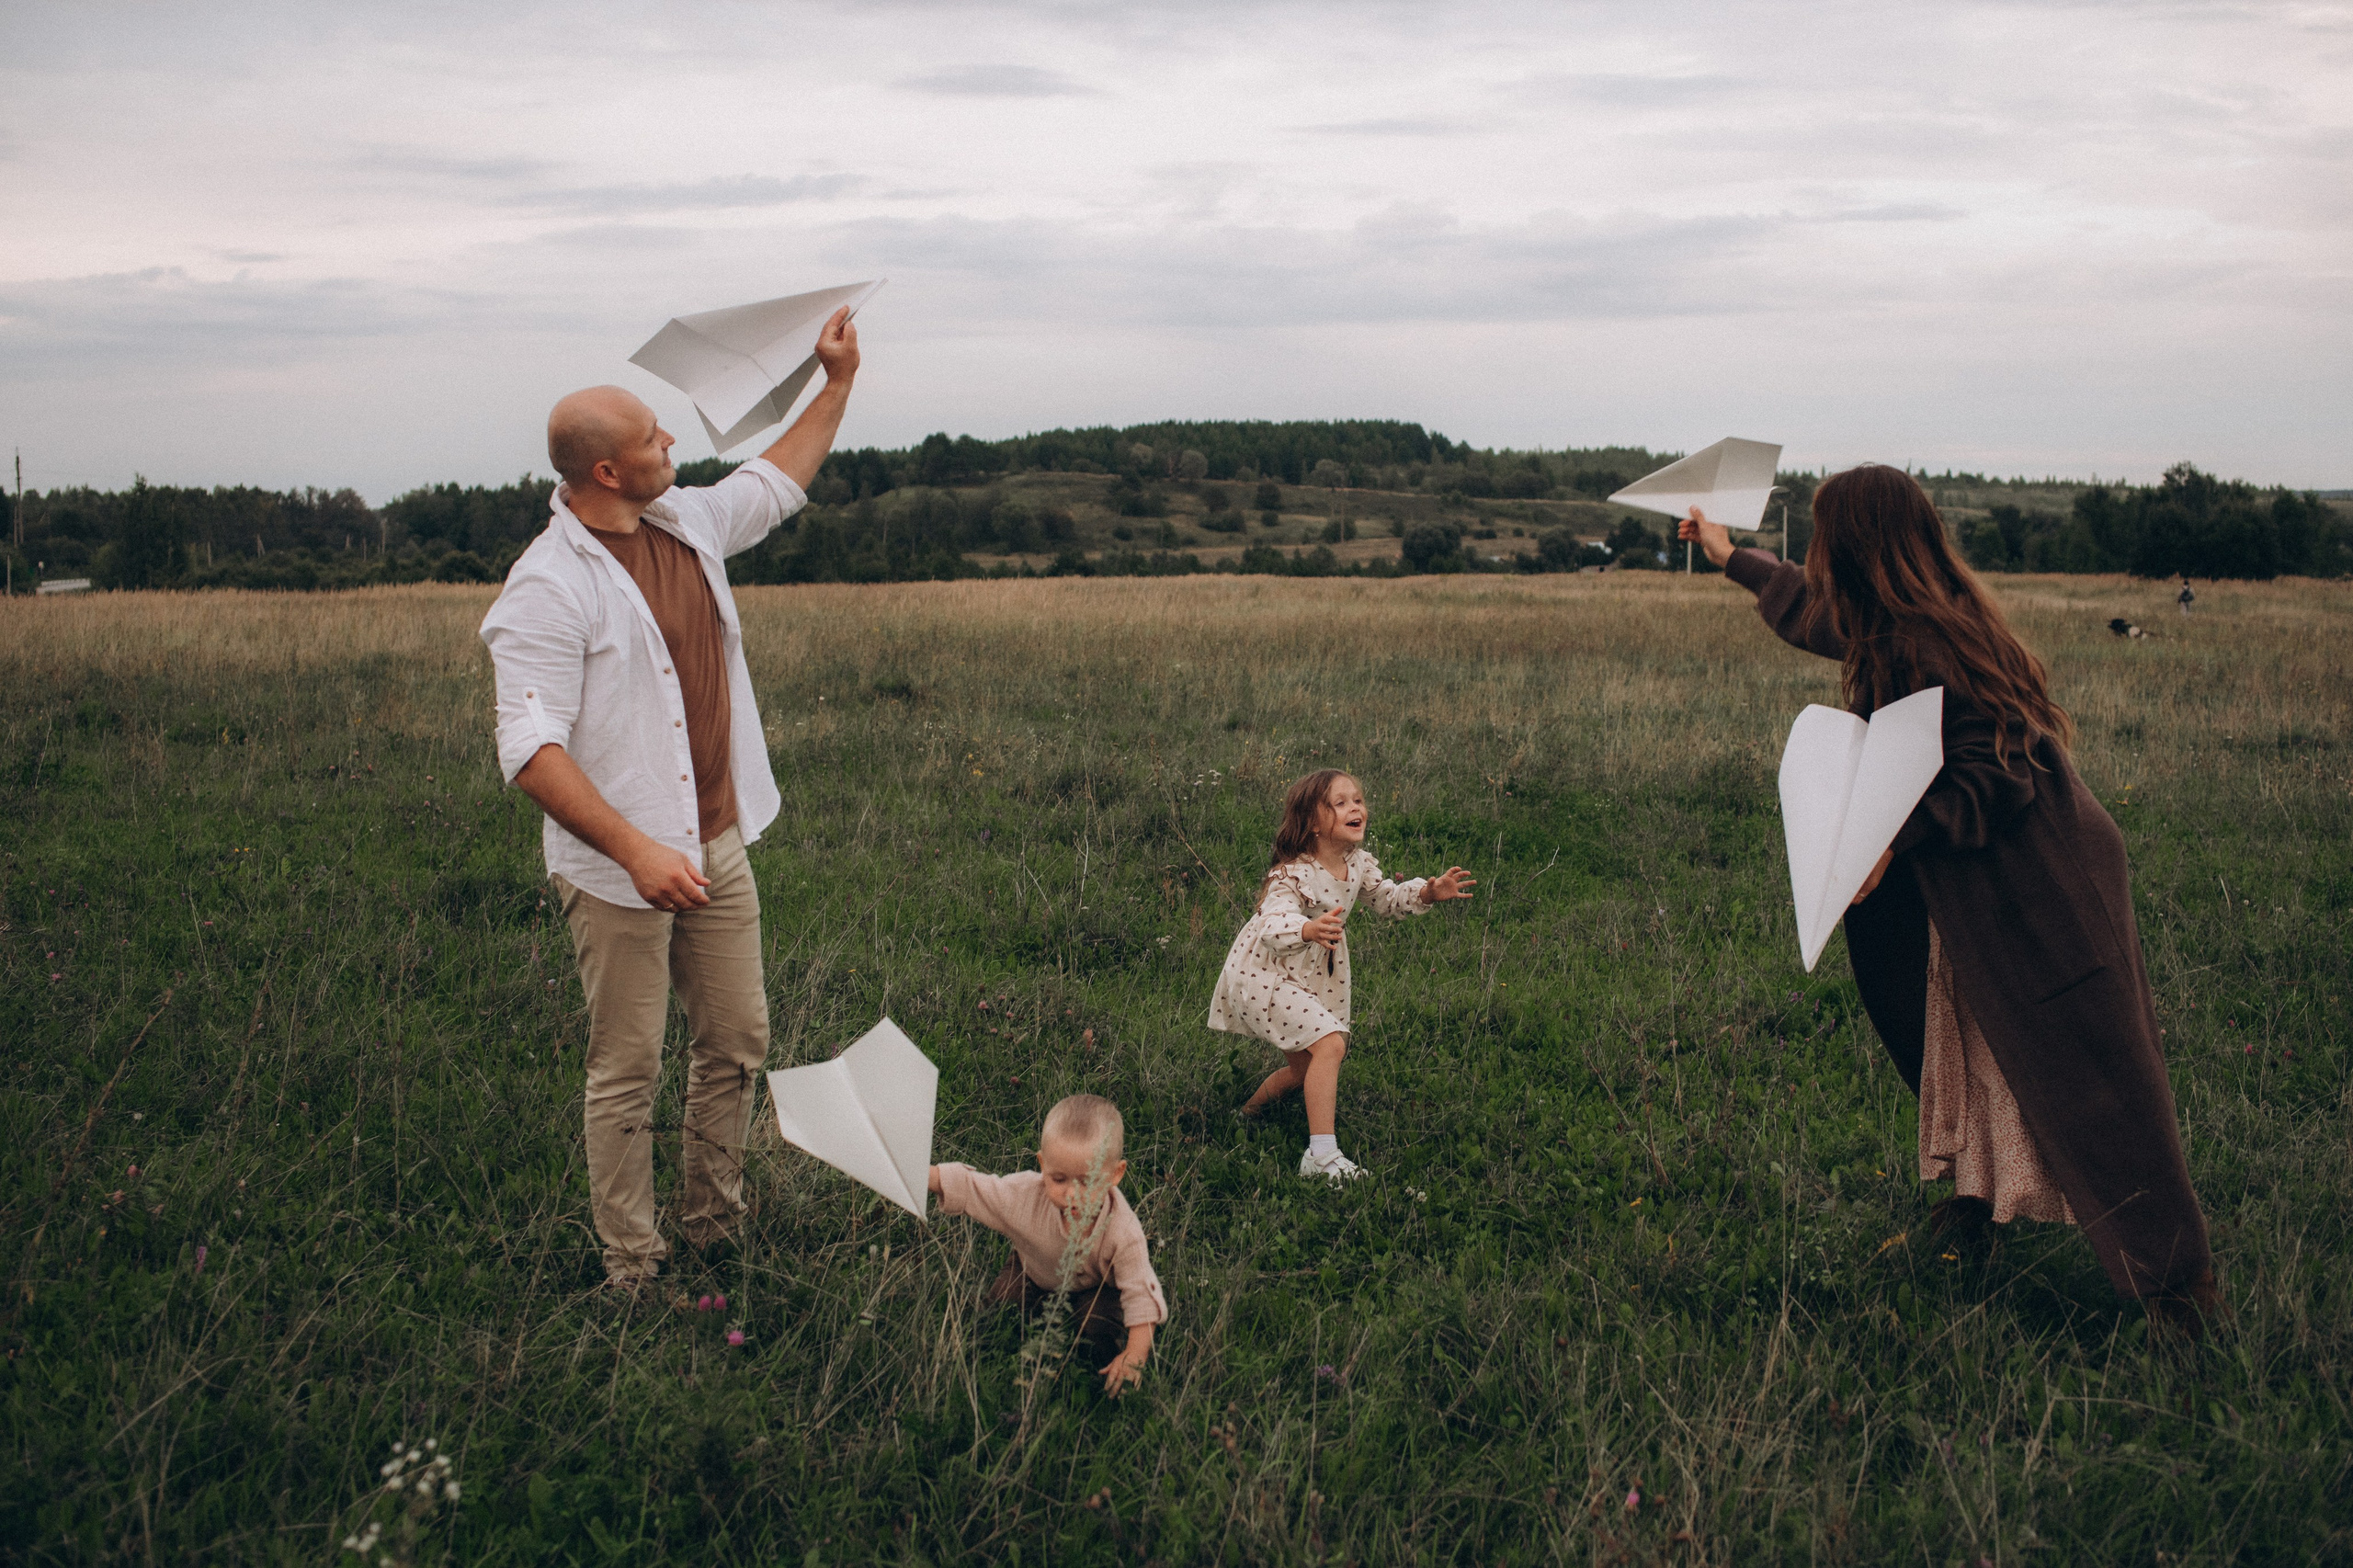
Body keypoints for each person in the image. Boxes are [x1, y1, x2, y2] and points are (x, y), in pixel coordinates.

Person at [1679, 468, 2218, 1335]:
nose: (1815, 557)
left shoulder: (1934, 640)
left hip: (2041, 878)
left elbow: (1993, 774)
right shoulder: (1893, 622)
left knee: (2091, 1078)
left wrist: (1890, 839)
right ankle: (1970, 1215)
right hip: (1979, 878)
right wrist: (1730, 556)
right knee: (1958, 1044)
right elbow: (1820, 619)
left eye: (1823, 539)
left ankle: (2181, 1293)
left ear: (1855, 548)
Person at [480, 308, 862, 1290]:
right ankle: (632, 1264)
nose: (672, 444)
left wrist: (836, 382)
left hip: (718, 844)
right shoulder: (546, 587)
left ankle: (711, 1226)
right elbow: (530, 747)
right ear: (605, 471)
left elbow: (776, 481)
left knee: (736, 1039)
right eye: (654, 438)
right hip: (619, 872)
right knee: (627, 1068)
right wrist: (637, 851)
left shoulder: (682, 520)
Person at [1210, 769, 1476, 1181]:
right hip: (1268, 969)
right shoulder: (1293, 873)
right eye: (1341, 803)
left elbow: (1386, 898)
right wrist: (1306, 929)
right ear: (1314, 822)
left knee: (1306, 1068)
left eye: (1358, 800)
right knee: (1331, 1045)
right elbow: (1271, 921)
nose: (1356, 808)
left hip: (1310, 970)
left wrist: (1426, 892)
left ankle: (1246, 1115)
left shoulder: (1357, 864)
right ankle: (1321, 1156)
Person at [928, 1094, 1166, 1395]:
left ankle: (1101, 1386)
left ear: (1116, 1174)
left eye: (1087, 1181)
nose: (1072, 1194)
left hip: (1095, 1286)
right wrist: (928, 1176)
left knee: (1097, 1328)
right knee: (1000, 1310)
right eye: (1059, 1179)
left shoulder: (1123, 1230)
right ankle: (986, 1367)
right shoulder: (1025, 1195)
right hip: (1032, 1270)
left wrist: (1135, 1355)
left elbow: (1141, 1293)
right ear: (1042, 1165)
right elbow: (977, 1188)